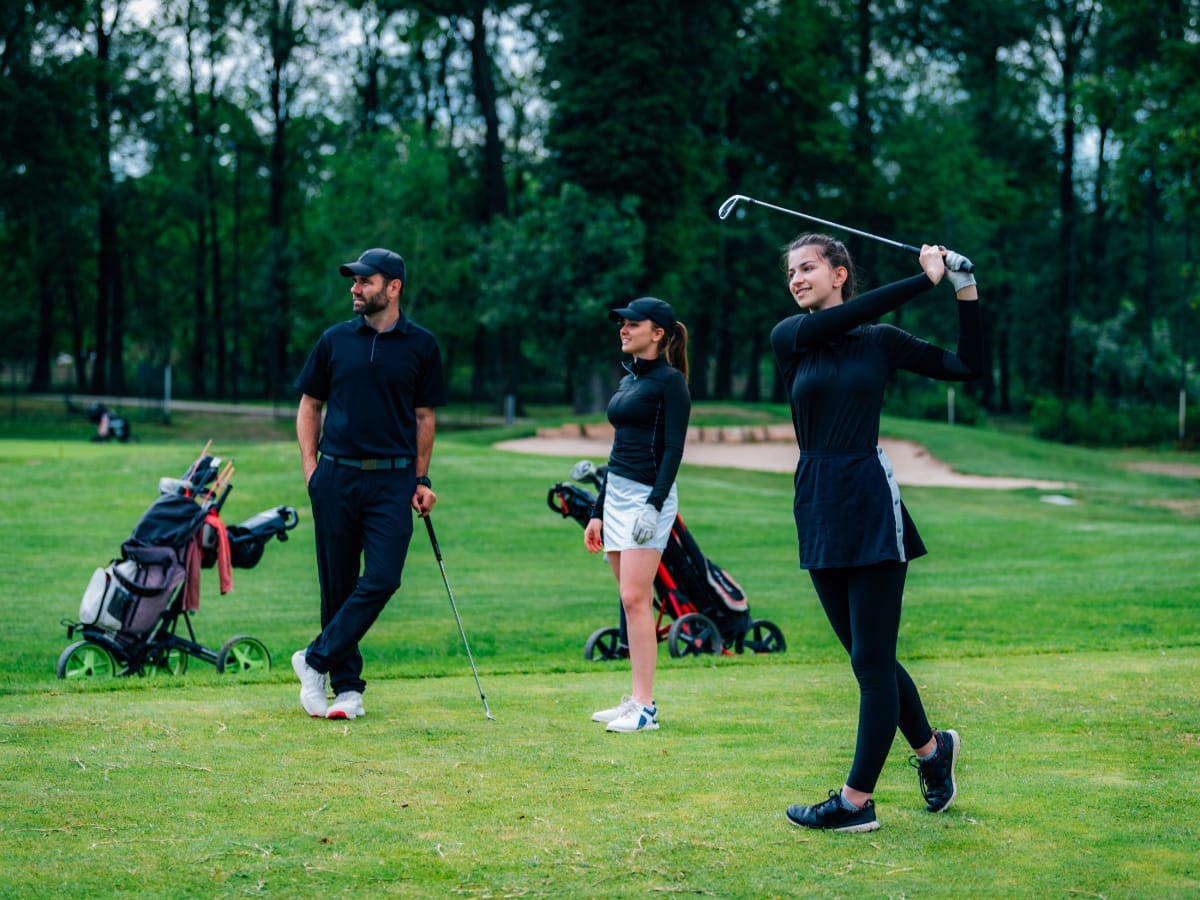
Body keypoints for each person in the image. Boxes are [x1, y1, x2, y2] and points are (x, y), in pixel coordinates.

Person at [770, 234, 982, 832]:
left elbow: (967, 367)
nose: (796, 278)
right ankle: (932, 752)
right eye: (791, 271)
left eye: (808, 267)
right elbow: (853, 314)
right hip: (815, 501)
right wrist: (924, 280)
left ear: (840, 272)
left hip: (867, 499)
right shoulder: (791, 338)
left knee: (870, 662)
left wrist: (963, 290)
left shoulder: (880, 342)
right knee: (870, 659)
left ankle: (855, 802)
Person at [292, 247, 447, 720]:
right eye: (354, 281)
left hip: (393, 480)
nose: (355, 289)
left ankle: (314, 659)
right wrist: (310, 469)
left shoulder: (422, 345)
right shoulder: (335, 340)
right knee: (337, 584)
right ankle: (348, 688)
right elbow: (309, 406)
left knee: (382, 577)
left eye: (365, 281)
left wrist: (421, 477)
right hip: (335, 475)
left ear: (393, 287)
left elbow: (425, 417)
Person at [585, 297, 691, 733]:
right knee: (633, 603)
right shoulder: (628, 381)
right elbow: (617, 451)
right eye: (621, 324)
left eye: (633, 323)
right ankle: (635, 699)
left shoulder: (671, 383)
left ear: (659, 332)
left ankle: (646, 708)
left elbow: (673, 451)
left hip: (650, 498)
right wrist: (597, 511)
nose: (624, 329)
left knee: (634, 598)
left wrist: (654, 504)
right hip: (617, 498)